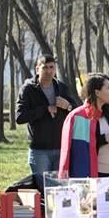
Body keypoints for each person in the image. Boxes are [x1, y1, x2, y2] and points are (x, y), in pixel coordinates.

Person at [15, 54, 77, 184]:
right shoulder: (28, 89)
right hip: (39, 151)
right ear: (37, 69)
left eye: (51, 67)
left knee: (60, 188)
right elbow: (20, 117)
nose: (49, 71)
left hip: (61, 148)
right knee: (43, 187)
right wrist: (45, 109)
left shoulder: (62, 88)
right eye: (45, 68)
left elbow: (77, 111)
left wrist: (68, 106)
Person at [58, 73, 109, 178]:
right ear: (97, 92)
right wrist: (104, 139)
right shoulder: (77, 117)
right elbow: (74, 151)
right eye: (108, 88)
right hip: (94, 175)